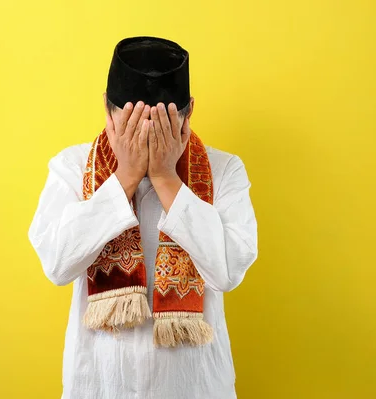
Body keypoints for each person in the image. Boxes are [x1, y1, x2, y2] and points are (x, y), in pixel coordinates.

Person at [28, 36, 258, 399]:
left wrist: (167, 178)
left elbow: (227, 271)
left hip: (194, 386)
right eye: (132, 123)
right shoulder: (72, 168)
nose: (145, 136)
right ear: (106, 107)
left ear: (189, 112)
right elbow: (57, 263)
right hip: (100, 384)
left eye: (161, 123)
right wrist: (125, 177)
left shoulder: (224, 170)